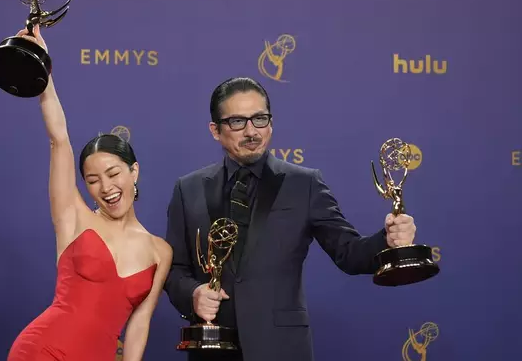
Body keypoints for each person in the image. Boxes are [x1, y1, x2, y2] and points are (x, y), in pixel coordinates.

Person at [163, 77, 417, 361]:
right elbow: (174, 269)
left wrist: (389, 240)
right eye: (237, 122)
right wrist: (193, 294)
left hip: (282, 348)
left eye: (260, 119)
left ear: (270, 123)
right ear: (216, 130)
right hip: (212, 349)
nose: (251, 131)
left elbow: (350, 253)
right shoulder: (189, 189)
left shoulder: (304, 184)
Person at [6, 25, 172, 361]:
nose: (106, 187)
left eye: (113, 173)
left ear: (134, 171)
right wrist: (43, 71)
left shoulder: (160, 251)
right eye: (93, 179)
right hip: (42, 350)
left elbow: (139, 325)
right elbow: (59, 139)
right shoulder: (74, 216)